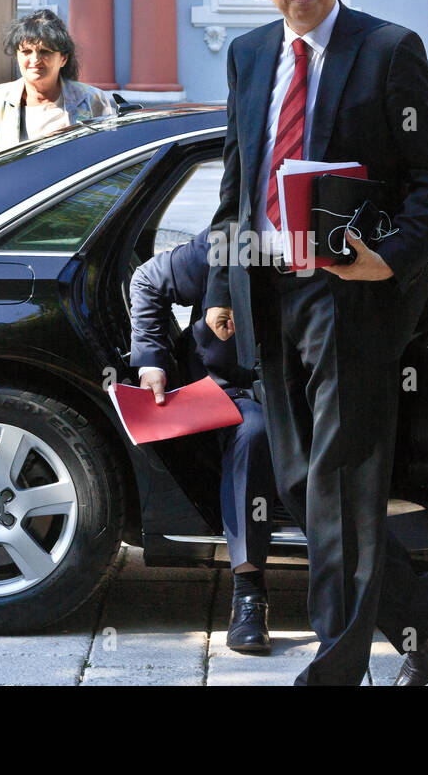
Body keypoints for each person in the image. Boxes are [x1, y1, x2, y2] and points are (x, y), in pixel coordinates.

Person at [204, 0, 428, 686]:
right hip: (266, 292)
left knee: (343, 487)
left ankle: (335, 668)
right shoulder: (250, 56)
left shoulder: (388, 50)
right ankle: (422, 612)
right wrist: (223, 280)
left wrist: (384, 260)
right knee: (297, 480)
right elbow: (237, 177)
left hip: (348, 298)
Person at [129, 229, 276, 654]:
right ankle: (249, 593)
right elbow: (147, 281)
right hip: (229, 389)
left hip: (301, 389)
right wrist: (151, 362)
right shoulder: (233, 240)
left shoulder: (332, 238)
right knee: (252, 433)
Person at [0, 9, 116, 161]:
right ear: (16, 56)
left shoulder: (93, 100)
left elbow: (108, 160)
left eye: (45, 52)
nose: (35, 60)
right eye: (26, 51)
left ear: (63, 59)